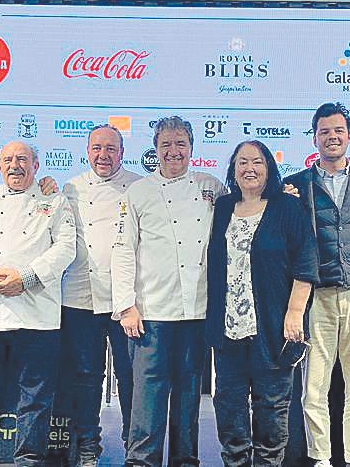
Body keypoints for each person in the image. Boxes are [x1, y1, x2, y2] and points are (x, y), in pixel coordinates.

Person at [111, 116, 226, 466]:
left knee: (190, 396)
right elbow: (122, 249)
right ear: (156, 148)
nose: (173, 152)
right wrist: (126, 305)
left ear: (191, 147)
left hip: (197, 311)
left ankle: (185, 460)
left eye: (180, 144)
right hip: (152, 313)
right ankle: (141, 460)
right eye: (166, 145)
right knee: (148, 397)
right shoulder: (138, 192)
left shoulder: (211, 186)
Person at [0, 141, 76, 467]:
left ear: (36, 165)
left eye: (22, 159)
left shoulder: (55, 200)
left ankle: (28, 460)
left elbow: (65, 249)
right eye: (8, 159)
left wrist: (26, 277)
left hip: (37, 313)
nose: (15, 165)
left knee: (35, 396)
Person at [283, 102, 350, 467]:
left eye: (338, 130)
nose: (332, 137)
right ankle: (321, 458)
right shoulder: (294, 186)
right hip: (317, 297)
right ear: (314, 138)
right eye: (324, 131)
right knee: (314, 388)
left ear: (349, 136)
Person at [206, 140, 317, 466]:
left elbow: (305, 263)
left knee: (271, 409)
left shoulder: (287, 206)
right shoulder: (223, 207)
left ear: (269, 168)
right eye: (242, 162)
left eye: (257, 162)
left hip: (273, 330)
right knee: (229, 407)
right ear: (233, 169)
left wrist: (295, 312)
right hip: (227, 332)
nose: (249, 169)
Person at [56, 124, 141, 466]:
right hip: (79, 297)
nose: (103, 155)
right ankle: (88, 447)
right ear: (87, 151)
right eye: (97, 148)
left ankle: (135, 446)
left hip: (126, 300)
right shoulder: (69, 188)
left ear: (122, 153)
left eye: (111, 149)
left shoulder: (138, 187)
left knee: (130, 377)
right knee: (86, 377)